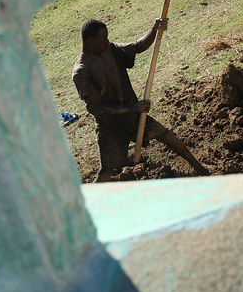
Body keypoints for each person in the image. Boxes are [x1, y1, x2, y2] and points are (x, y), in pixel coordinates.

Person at [73, 18, 210, 182]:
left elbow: (137, 47)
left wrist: (155, 29)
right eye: (103, 38)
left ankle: (200, 169)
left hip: (134, 117)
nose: (107, 41)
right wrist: (133, 108)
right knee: (108, 172)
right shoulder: (82, 71)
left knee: (168, 137)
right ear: (90, 41)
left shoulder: (110, 50)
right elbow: (99, 107)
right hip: (112, 129)